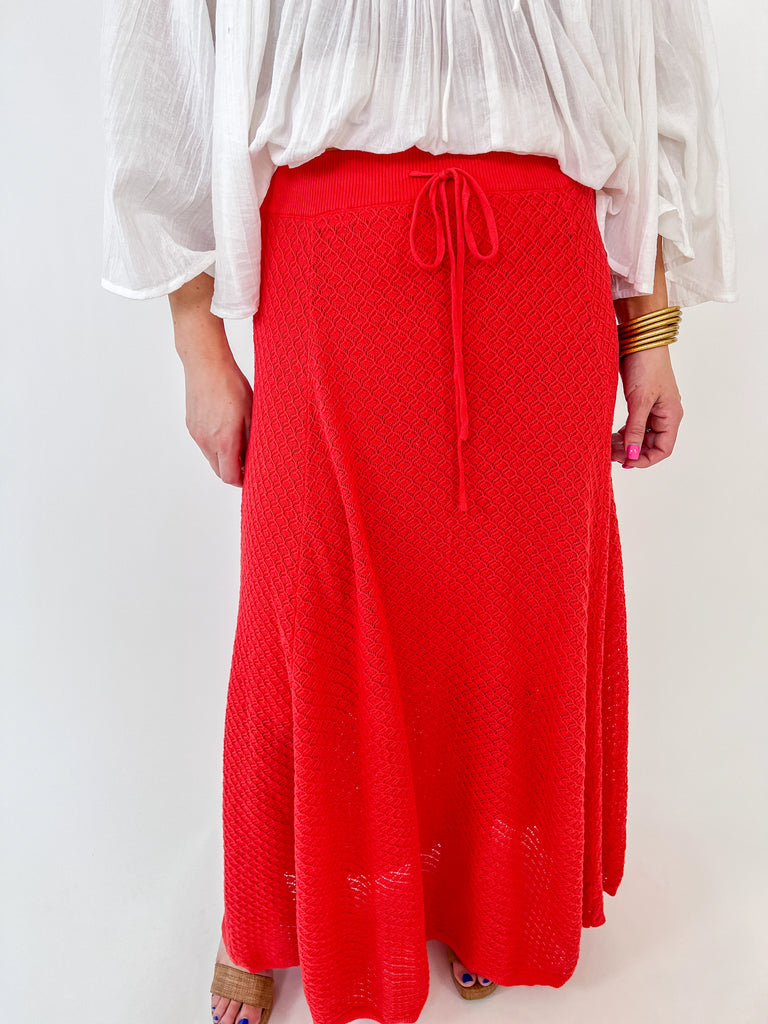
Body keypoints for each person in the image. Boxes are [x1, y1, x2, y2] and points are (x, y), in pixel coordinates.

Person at [100, 2, 737, 1023]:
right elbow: (167, 59)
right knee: (301, 612)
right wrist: (197, 344)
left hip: (542, 263)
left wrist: (649, 324)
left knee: (510, 614)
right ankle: (265, 912)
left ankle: (492, 890)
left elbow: (647, 64)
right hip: (329, 262)